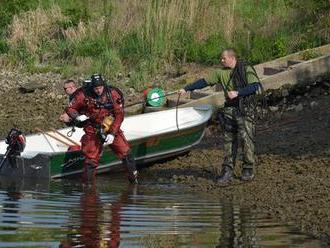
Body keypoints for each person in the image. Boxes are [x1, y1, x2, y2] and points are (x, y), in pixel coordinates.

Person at [180, 48, 260, 183]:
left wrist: (238, 93)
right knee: (229, 141)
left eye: (223, 58)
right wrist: (186, 89)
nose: (221, 60)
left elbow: (255, 86)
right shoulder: (219, 73)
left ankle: (248, 168)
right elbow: (203, 82)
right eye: (221, 58)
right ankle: (228, 169)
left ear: (232, 58)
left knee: (246, 139)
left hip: (245, 109)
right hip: (229, 110)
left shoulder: (246, 69)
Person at [64, 74, 138, 184]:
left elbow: (119, 115)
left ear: (104, 85)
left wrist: (112, 133)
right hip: (92, 129)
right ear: (91, 87)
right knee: (91, 160)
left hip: (110, 126)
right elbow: (70, 108)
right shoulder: (82, 94)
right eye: (95, 88)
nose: (98, 90)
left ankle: (133, 181)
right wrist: (77, 116)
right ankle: (87, 188)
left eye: (100, 88)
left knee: (126, 154)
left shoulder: (112, 93)